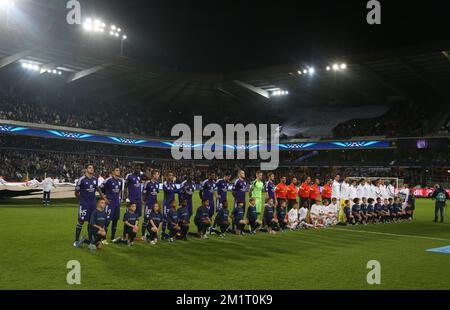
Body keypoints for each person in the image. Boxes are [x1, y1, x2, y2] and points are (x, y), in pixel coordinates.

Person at [74, 164, 107, 248]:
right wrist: (81, 200)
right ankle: (76, 240)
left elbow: (98, 189)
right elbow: (76, 192)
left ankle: (91, 241)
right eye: (89, 168)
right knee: (81, 221)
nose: (91, 169)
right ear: (86, 170)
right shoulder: (81, 179)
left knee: (91, 223)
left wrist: (104, 198)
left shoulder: (95, 179)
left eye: (92, 168)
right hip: (84, 205)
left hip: (93, 204)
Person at [100, 167, 123, 242]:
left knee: (115, 221)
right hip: (110, 204)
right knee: (107, 221)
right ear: (113, 172)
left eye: (119, 170)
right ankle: (103, 238)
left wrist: (119, 198)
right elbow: (100, 188)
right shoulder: (108, 180)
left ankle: (112, 238)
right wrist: (104, 198)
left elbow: (119, 191)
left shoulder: (120, 181)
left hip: (117, 204)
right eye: (116, 170)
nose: (118, 172)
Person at [142, 169, 160, 239]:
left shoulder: (157, 184)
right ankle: (143, 235)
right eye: (157, 174)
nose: (158, 175)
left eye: (158, 174)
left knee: (154, 220)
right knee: (146, 220)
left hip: (154, 205)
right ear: (153, 175)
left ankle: (151, 234)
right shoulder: (148, 183)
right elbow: (143, 192)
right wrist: (144, 201)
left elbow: (156, 193)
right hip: (148, 205)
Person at [162, 172, 177, 239]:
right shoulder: (165, 183)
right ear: (167, 176)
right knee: (165, 219)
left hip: (172, 205)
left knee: (172, 219)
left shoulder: (173, 184)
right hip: (166, 204)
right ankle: (162, 233)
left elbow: (176, 190)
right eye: (169, 175)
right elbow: (169, 190)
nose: (171, 176)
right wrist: (175, 189)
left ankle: (171, 234)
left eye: (172, 175)